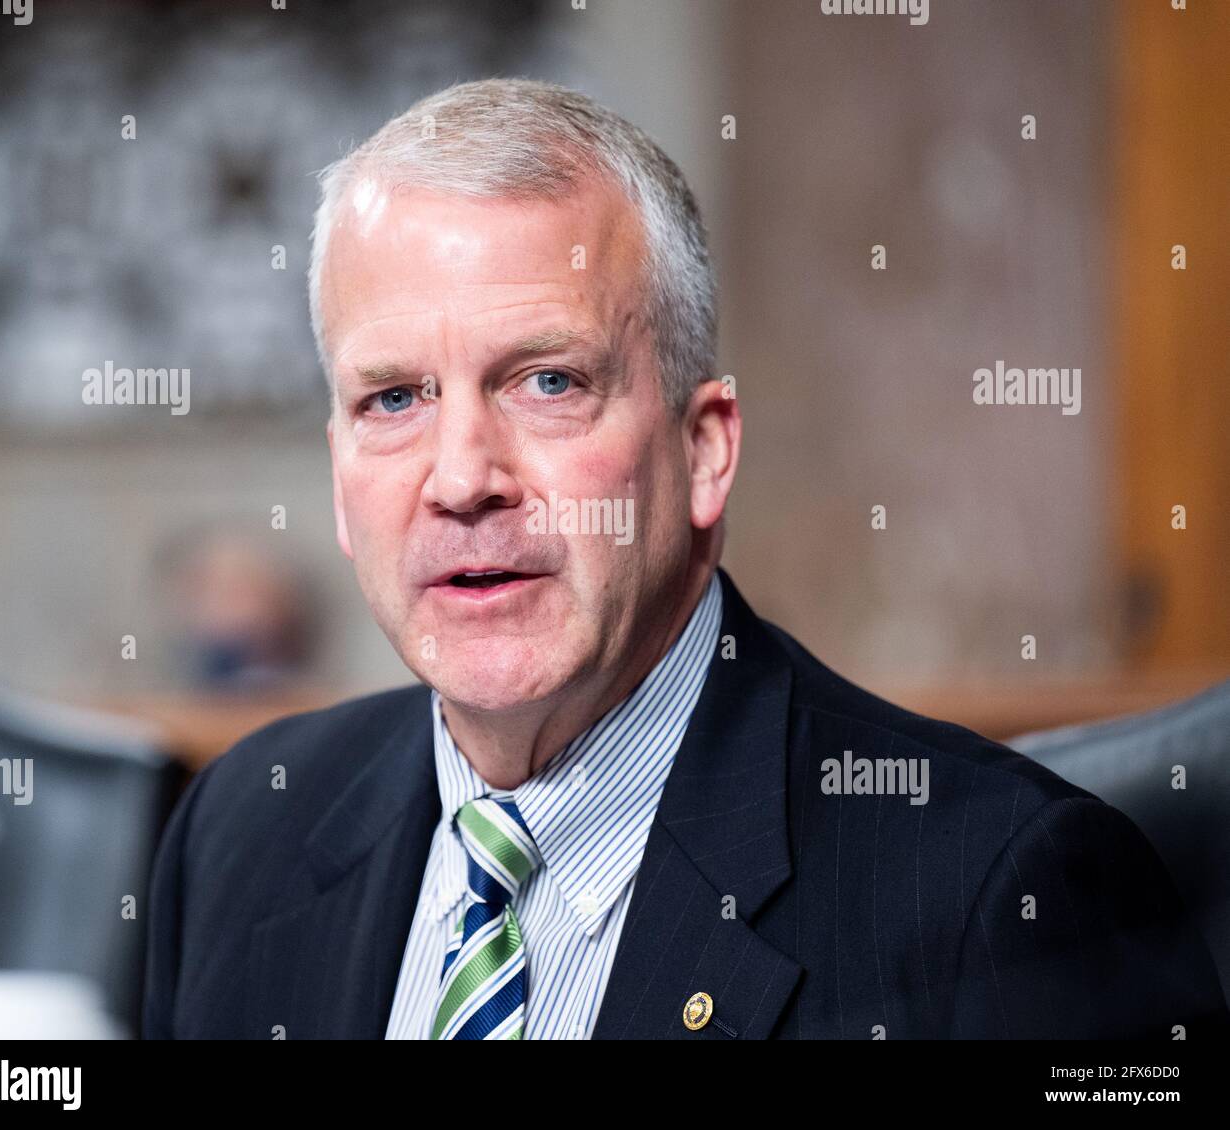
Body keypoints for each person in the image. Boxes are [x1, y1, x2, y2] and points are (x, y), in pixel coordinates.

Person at [142, 78, 1228, 1040]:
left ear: (703, 449)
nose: (461, 475)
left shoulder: (998, 897)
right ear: (340, 480)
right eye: (393, 398)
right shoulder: (240, 834)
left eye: (548, 381)